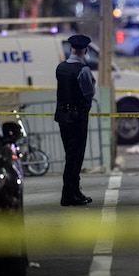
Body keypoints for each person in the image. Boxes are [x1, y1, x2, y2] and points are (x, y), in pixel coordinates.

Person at [54, 34, 96, 207]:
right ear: (84, 50)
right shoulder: (83, 70)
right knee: (75, 157)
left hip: (63, 117)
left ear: (71, 49)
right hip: (77, 118)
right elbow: (89, 93)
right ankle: (69, 194)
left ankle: (73, 192)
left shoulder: (60, 68)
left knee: (70, 155)